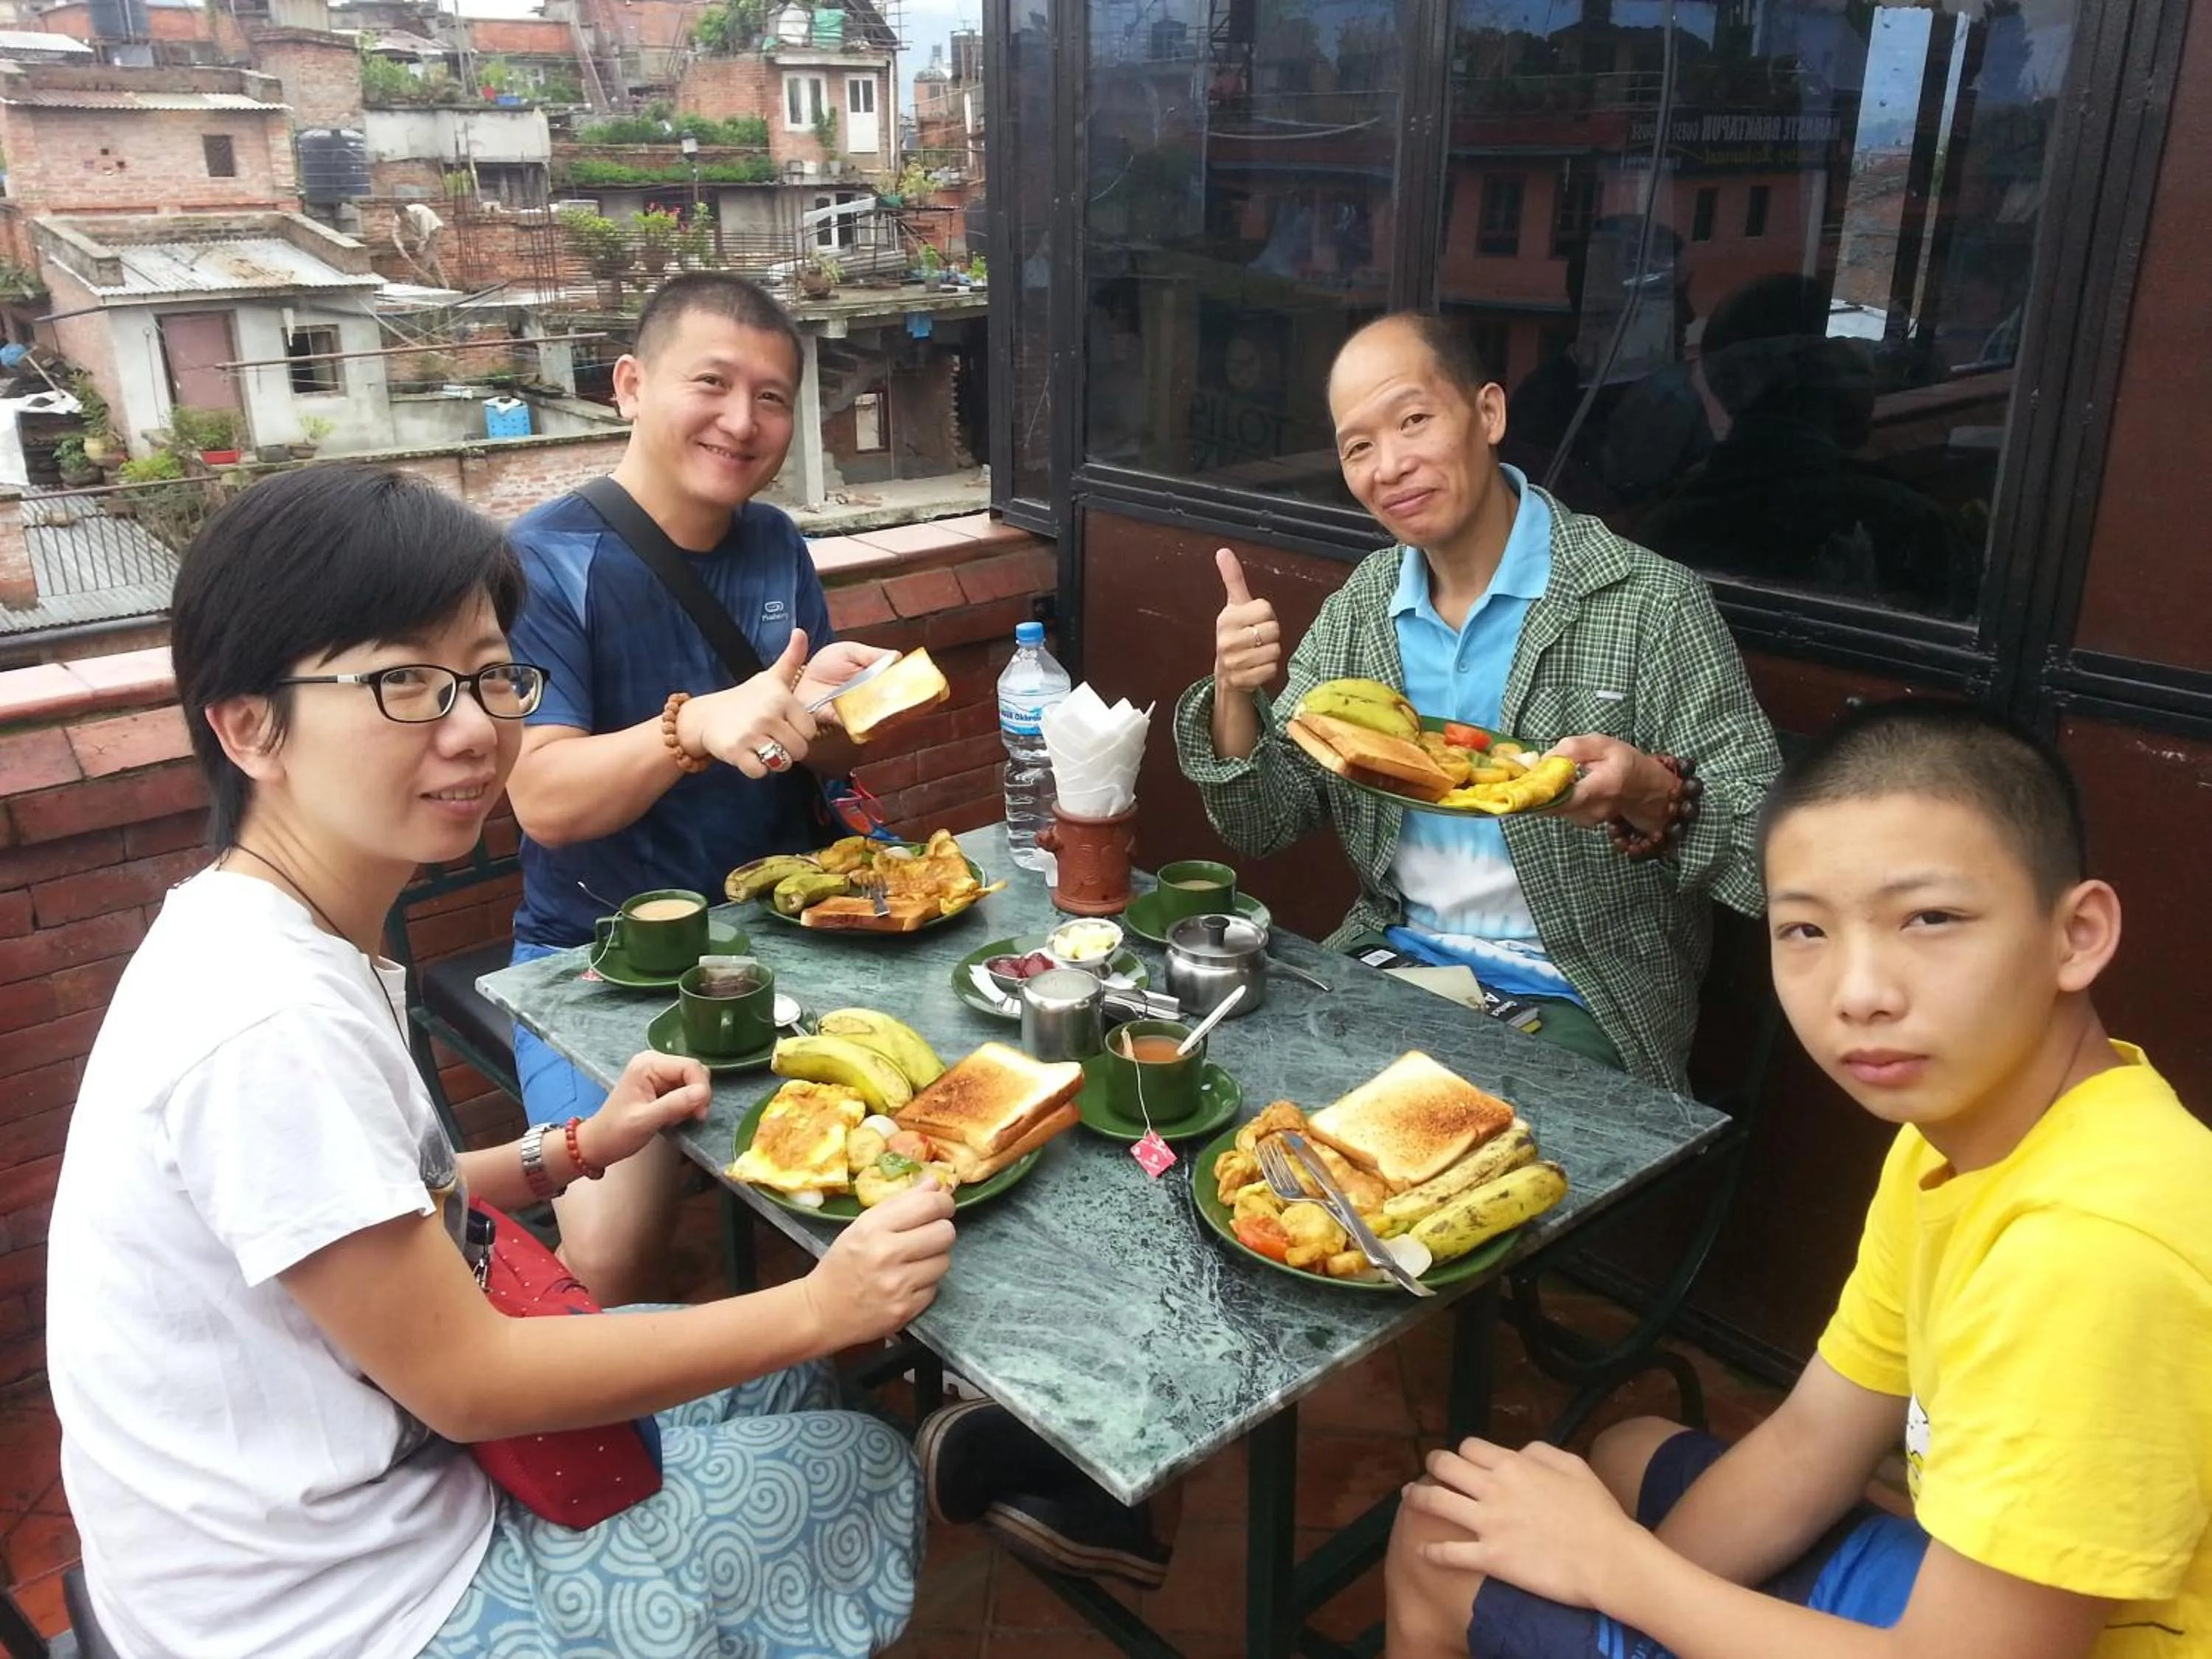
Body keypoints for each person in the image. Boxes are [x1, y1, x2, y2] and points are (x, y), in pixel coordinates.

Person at [44, 465, 950, 1659]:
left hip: (357, 1478)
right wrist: (820, 1303)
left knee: (794, 1386)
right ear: (248, 724)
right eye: (405, 683)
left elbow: (362, 1204)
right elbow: (472, 1379)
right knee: (859, 1460)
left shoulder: (270, 929)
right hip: (336, 1610)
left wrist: (572, 1147)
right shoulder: (265, 1022)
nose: (475, 727)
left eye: (488, 676)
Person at [1385, 698, 2212, 1659]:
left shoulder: (2091, 1251)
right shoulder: (1963, 1137)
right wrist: (1620, 1598)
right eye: (1807, 930)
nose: (1860, 993)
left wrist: (1615, 1570)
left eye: (1931, 918)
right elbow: (1813, 1439)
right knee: (1626, 1453)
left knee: (1439, 1547)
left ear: (2077, 934)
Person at [1175, 311, 1779, 1087]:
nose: (1390, 466)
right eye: (1358, 447)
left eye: (1414, 420)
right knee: (1232, 1089)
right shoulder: (1364, 610)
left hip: (1581, 992)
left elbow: (1769, 850)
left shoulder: (1648, 605)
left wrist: (1651, 795)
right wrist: (1233, 689)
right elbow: (1264, 821)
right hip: (1393, 957)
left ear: (1488, 413)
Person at [503, 272, 893, 1306]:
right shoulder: (541, 563)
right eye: (712, 383)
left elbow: (815, 759)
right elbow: (543, 800)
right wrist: (693, 727)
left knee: (926, 1125)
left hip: (786, 928)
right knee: (611, 1257)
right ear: (631, 385)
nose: (743, 421)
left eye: (772, 397)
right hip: (602, 960)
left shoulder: (773, 542)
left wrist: (831, 710)